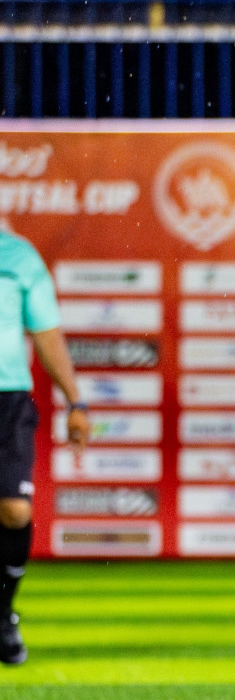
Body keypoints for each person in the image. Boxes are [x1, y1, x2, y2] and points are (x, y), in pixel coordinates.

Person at [0, 226, 90, 665]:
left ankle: (3, 614)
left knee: (14, 510)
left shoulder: (19, 257)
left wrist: (76, 401)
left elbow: (47, 335)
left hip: (8, 399)